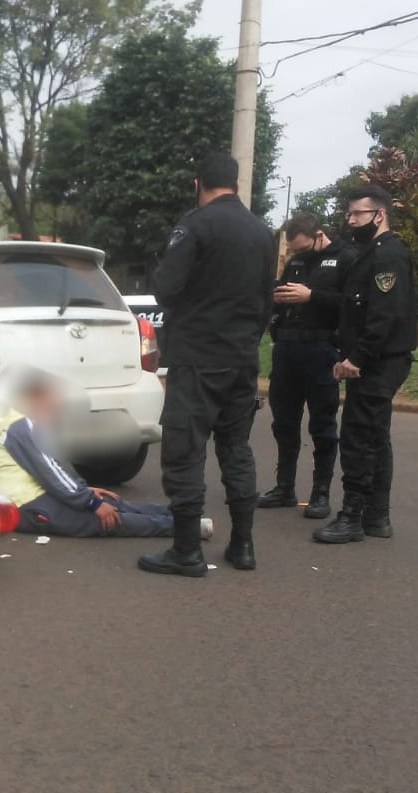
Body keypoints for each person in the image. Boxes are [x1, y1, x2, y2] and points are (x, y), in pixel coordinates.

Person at [137, 152, 275, 578]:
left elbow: (166, 289)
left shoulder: (195, 225)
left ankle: (186, 551)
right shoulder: (262, 233)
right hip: (241, 359)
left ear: (198, 184)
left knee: (185, 452)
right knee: (236, 449)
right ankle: (243, 545)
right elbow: (266, 301)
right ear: (236, 184)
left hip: (197, 358)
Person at [0, 370, 212, 541]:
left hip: (38, 495)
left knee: (110, 503)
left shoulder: (28, 425)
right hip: (24, 507)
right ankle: (186, 528)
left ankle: (181, 515)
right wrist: (91, 502)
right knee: (103, 520)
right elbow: (52, 476)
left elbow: (55, 471)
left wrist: (87, 493)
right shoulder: (20, 428)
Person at [314, 185, 417, 544]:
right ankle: (377, 516)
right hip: (376, 359)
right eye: (349, 213)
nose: (351, 220)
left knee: (359, 438)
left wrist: (356, 358)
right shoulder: (370, 253)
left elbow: (384, 316)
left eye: (358, 213)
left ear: (380, 214)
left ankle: (352, 517)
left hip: (377, 361)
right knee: (375, 436)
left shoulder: (387, 255)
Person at [260, 212, 354, 520]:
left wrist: (311, 296)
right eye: (293, 249)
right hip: (288, 349)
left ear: (319, 235)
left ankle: (320, 493)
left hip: (321, 349)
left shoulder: (345, 258)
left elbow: (351, 304)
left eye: (302, 247)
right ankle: (284, 487)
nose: (297, 253)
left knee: (322, 426)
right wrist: (276, 298)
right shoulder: (296, 261)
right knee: (283, 423)